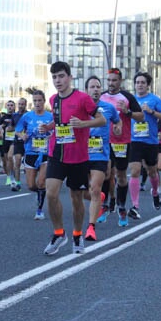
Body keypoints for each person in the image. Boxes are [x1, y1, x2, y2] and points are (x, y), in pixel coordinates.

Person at [42, 62, 105, 256]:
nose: (57, 81)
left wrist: (83, 123)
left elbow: (101, 120)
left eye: (61, 76)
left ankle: (77, 234)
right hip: (56, 153)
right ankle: (59, 233)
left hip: (78, 157)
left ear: (69, 77)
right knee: (51, 194)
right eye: (54, 77)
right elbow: (60, 120)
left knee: (76, 199)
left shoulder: (83, 98)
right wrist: (49, 127)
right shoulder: (53, 99)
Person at [99, 68, 143, 227]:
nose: (111, 83)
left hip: (122, 142)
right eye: (109, 80)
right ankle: (104, 205)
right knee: (105, 173)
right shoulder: (101, 96)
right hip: (103, 142)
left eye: (114, 80)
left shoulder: (127, 97)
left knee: (121, 175)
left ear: (120, 81)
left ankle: (121, 205)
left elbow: (141, 117)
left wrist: (128, 112)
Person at [127, 71, 161, 219]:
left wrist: (151, 111)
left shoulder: (154, 99)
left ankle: (155, 193)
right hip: (135, 140)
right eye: (137, 82)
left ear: (148, 85)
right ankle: (135, 206)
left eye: (142, 82)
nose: (139, 85)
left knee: (152, 171)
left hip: (150, 141)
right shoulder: (130, 100)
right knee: (135, 171)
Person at [83, 76, 120, 243]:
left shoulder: (109, 108)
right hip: (81, 154)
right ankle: (99, 199)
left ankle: (91, 227)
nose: (96, 89)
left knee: (95, 189)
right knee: (82, 191)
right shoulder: (79, 108)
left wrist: (118, 130)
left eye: (98, 86)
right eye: (92, 87)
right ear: (87, 90)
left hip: (100, 153)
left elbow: (118, 123)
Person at [15, 90, 52, 220]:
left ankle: (39, 210)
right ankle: (40, 194)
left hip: (46, 153)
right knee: (31, 185)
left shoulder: (50, 116)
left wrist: (50, 134)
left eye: (39, 100)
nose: (37, 103)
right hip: (30, 152)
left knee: (41, 182)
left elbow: (58, 132)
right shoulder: (27, 116)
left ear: (44, 101)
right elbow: (18, 130)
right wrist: (22, 136)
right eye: (35, 101)